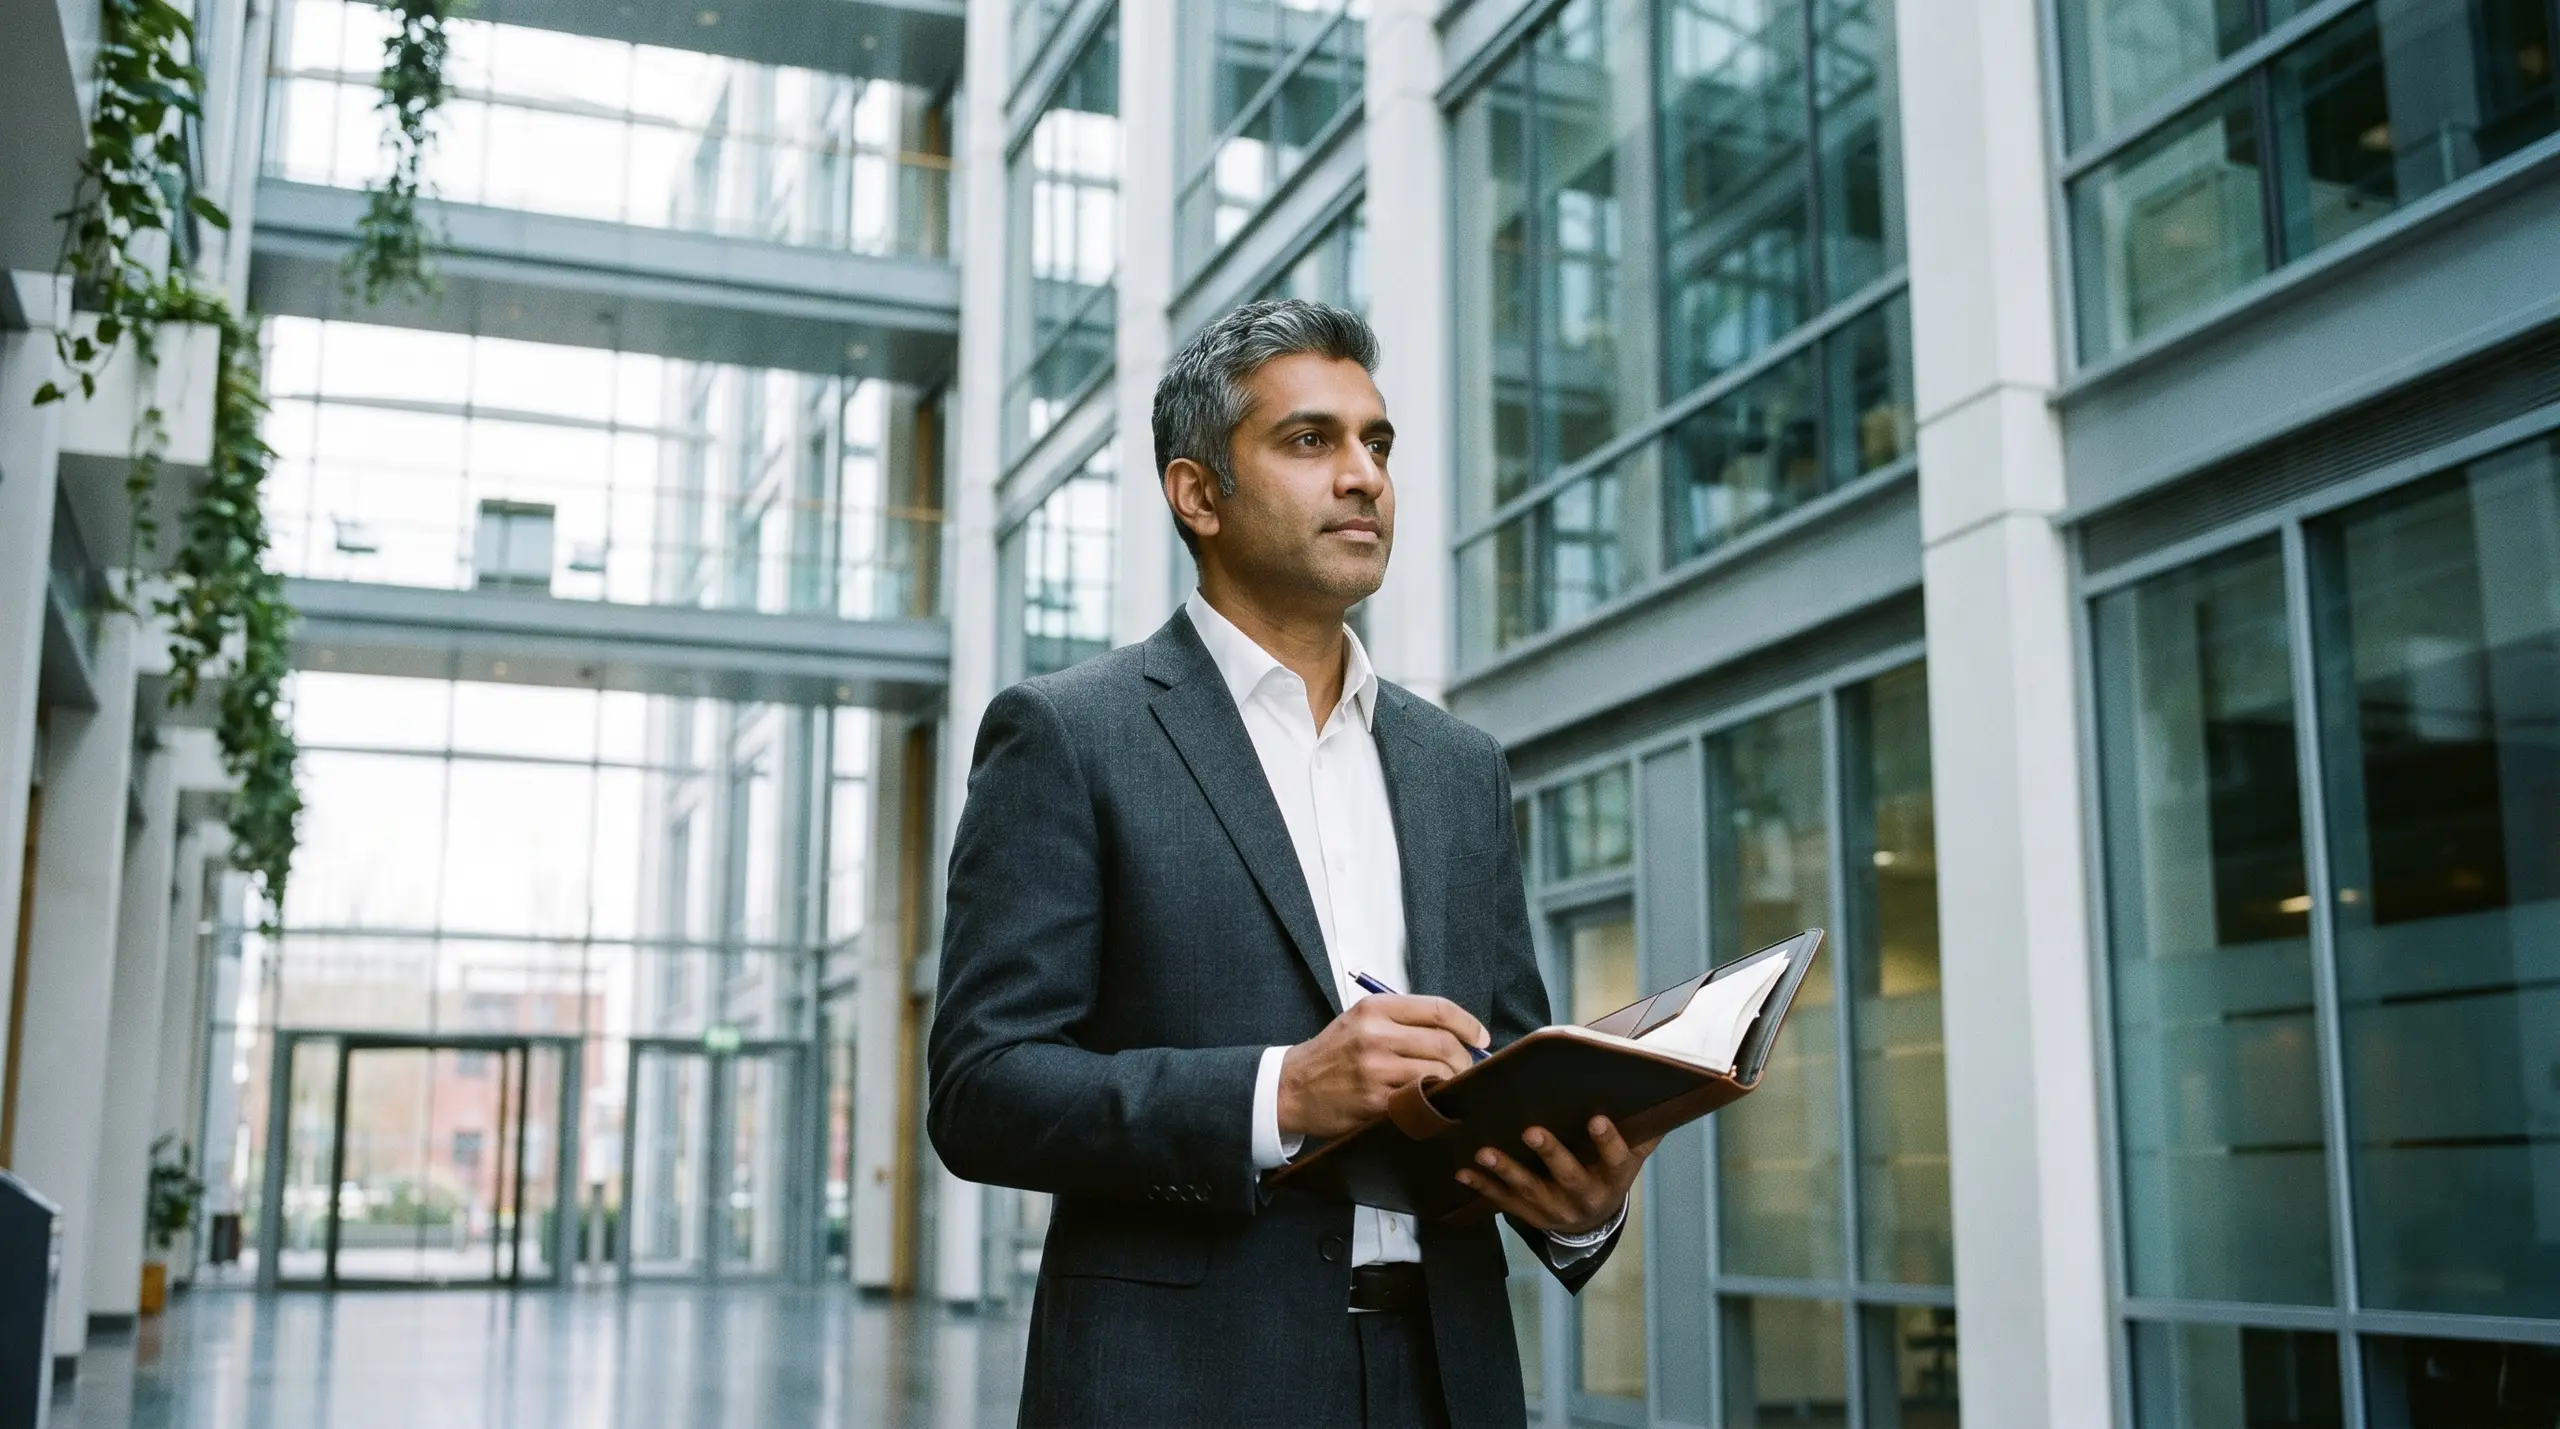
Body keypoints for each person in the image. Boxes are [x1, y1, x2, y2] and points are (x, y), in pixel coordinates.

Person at [929, 299, 1658, 1428]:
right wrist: (1283, 1092)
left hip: (1446, 1379)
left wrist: (1577, 1199)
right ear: (1198, 493)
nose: (1362, 475)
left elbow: (1504, 1056)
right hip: (1181, 1384)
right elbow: (983, 1090)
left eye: (1376, 443)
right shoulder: (1069, 735)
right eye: (1310, 440)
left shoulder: (1459, 766)